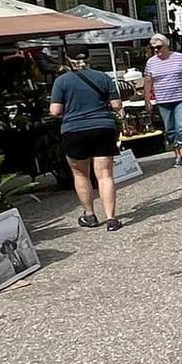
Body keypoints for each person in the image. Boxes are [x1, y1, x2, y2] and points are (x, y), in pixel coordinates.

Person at [50, 47, 125, 232]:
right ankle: (111, 219)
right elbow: (116, 105)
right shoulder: (103, 77)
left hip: (74, 130)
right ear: (88, 58)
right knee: (105, 174)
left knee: (80, 174)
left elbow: (55, 111)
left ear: (67, 58)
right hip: (103, 128)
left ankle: (89, 215)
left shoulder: (61, 81)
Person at [142, 34, 182, 170]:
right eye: (153, 48)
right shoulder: (151, 62)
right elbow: (148, 81)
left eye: (158, 47)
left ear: (166, 46)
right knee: (170, 128)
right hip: (163, 99)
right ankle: (177, 156)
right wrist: (147, 99)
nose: (156, 50)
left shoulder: (179, 57)